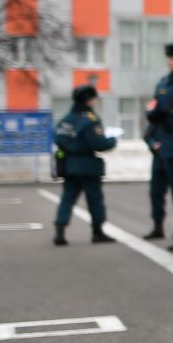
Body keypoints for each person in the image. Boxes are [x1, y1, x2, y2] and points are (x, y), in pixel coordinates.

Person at [52, 83, 116, 245]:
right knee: (94, 200)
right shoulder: (90, 120)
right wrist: (112, 140)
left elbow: (58, 138)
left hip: (69, 166)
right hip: (88, 166)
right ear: (88, 100)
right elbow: (99, 144)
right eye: (94, 98)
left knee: (67, 198)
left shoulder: (67, 119)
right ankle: (97, 232)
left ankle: (60, 230)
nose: (95, 102)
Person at [144, 43, 173, 241]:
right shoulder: (163, 83)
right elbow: (152, 106)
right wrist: (153, 113)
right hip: (160, 143)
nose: (171, 62)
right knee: (156, 191)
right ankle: (157, 224)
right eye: (169, 59)